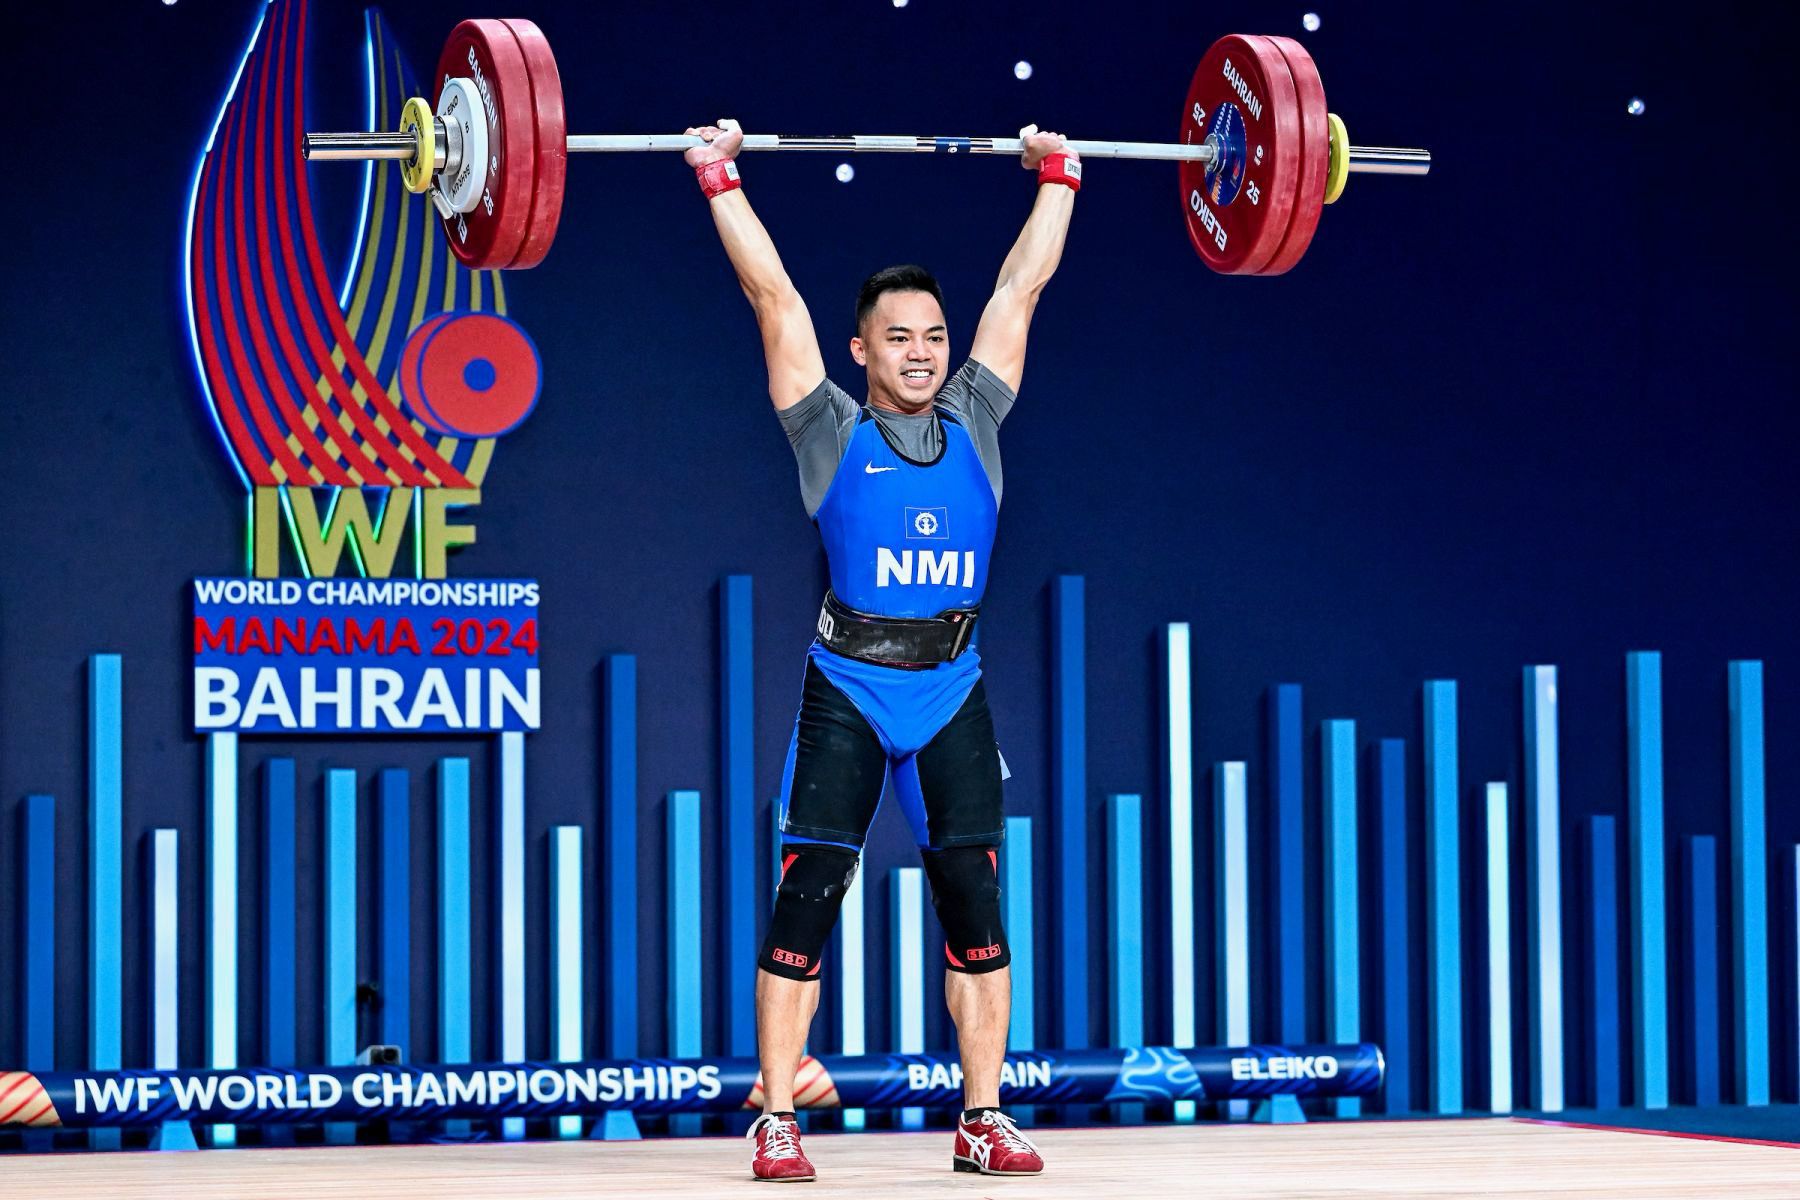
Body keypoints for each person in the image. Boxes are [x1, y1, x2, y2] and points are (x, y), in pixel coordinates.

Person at [684, 117, 1078, 1181]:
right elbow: (774, 297)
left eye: (932, 336)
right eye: (898, 337)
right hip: (850, 688)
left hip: (953, 686)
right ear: (862, 351)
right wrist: (719, 177)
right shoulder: (827, 429)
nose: (921, 351)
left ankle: (983, 1117)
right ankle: (776, 1119)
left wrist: (1061, 173)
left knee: (979, 913)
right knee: (804, 900)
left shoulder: (980, 418)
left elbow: (1021, 289)